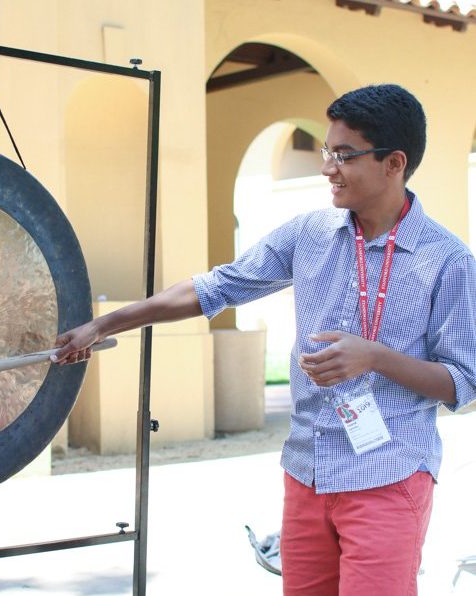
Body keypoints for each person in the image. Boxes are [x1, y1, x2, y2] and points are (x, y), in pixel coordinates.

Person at [51, 84, 476, 596]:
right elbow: (216, 286)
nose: (327, 168)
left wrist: (374, 359)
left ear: (394, 163)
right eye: (326, 152)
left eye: (344, 155)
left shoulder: (448, 260)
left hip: (390, 476)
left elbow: (462, 382)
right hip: (306, 472)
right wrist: (105, 324)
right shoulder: (308, 233)